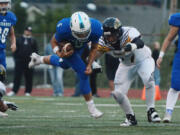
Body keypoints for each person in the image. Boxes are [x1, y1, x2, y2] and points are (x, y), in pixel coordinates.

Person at [28, 11, 103, 118]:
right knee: (83, 73)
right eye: (79, 33)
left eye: (85, 33)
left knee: (64, 64)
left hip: (81, 47)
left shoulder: (96, 28)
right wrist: (59, 53)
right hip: (70, 49)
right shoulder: (63, 27)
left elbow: (94, 48)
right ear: (71, 28)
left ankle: (39, 59)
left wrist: (89, 64)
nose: (82, 35)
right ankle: (92, 109)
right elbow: (53, 41)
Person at [95, 17, 161, 126]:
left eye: (112, 35)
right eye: (108, 36)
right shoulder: (103, 41)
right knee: (117, 93)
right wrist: (93, 63)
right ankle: (130, 118)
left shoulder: (128, 31)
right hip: (126, 65)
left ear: (118, 32)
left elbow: (140, 42)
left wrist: (130, 47)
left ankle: (151, 111)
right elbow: (96, 53)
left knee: (148, 80)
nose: (110, 38)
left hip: (143, 59)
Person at [157, 13, 180, 123]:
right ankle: (169, 112)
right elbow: (169, 38)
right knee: (175, 85)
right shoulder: (178, 18)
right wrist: (161, 55)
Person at [7, 26, 38, 96]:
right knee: (17, 77)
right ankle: (14, 91)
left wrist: (34, 60)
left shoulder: (33, 40)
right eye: (27, 30)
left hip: (29, 62)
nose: (28, 32)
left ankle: (28, 91)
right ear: (24, 31)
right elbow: (15, 50)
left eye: (29, 31)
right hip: (19, 61)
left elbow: (36, 51)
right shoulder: (19, 39)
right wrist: (16, 59)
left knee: (29, 77)